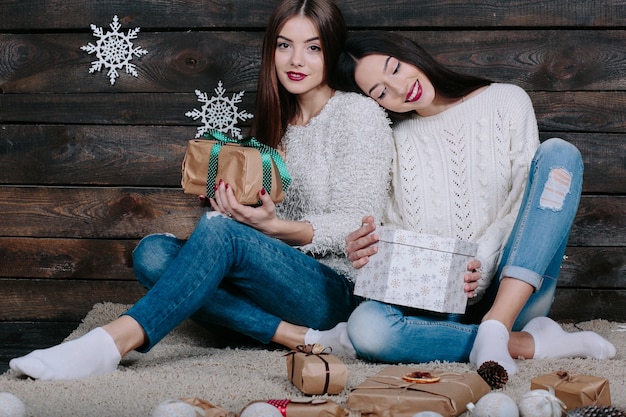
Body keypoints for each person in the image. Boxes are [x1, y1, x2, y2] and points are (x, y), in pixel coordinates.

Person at [8, 0, 394, 381]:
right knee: (153, 253)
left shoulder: (356, 114)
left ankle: (112, 341)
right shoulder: (275, 125)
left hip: (334, 290)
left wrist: (271, 229)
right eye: (284, 45)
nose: (296, 60)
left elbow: (357, 225)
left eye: (313, 47)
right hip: (275, 280)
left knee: (218, 232)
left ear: (332, 50)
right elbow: (261, 228)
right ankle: (300, 337)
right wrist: (235, 208)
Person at [334, 31, 616, 376]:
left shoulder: (506, 100)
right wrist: (369, 248)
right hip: (440, 306)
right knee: (365, 328)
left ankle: (498, 324)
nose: (399, 87)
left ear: (409, 52)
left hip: (516, 291)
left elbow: (522, 205)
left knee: (560, 155)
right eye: (381, 92)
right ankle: (530, 342)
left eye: (395, 68)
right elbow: (394, 227)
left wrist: (481, 262)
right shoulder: (395, 140)